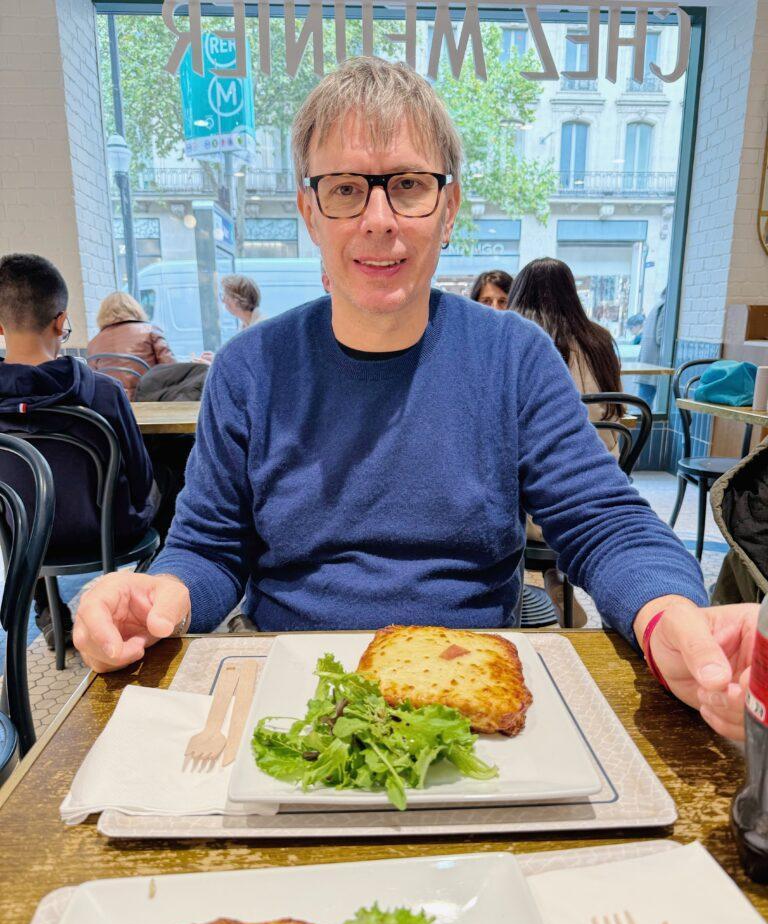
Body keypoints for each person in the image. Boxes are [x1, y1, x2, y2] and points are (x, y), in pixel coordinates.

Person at [74, 57, 756, 744]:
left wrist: (667, 615)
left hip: (475, 692)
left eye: (407, 185)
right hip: (293, 692)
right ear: (310, 212)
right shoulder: (250, 368)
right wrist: (163, 595)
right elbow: (210, 546)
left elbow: (605, 522)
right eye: (345, 188)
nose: (378, 219)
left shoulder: (514, 358)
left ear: (449, 206)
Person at [0, 254, 165, 650]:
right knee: (172, 477)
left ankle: (47, 606)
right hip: (108, 531)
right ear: (61, 321)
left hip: (25, 539)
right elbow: (140, 479)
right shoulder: (102, 393)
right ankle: (151, 598)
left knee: (26, 504)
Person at [508, 257, 624, 626]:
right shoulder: (601, 340)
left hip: (547, 509)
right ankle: (557, 580)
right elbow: (616, 413)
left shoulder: (519, 342)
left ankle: (539, 585)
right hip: (604, 485)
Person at [87, 291, 176, 401]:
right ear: (135, 309)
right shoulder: (150, 331)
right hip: (148, 400)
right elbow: (172, 370)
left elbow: (94, 381)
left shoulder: (94, 342)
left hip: (112, 404)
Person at [636, 287, 667, 408]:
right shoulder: (665, 307)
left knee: (643, 402)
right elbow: (660, 337)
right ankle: (642, 427)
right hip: (654, 363)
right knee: (645, 404)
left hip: (648, 361)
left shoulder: (658, 305)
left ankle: (641, 426)